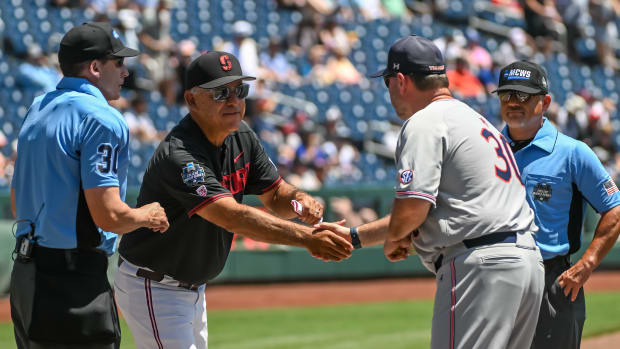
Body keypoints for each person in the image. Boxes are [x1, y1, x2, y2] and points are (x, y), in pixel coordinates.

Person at [114, 51, 353, 349]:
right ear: (191, 100)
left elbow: (276, 194)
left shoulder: (241, 134)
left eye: (240, 90)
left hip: (191, 287)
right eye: (220, 92)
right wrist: (307, 238)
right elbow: (231, 216)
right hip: (155, 283)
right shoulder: (180, 155)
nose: (233, 100)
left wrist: (298, 199)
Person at [318, 35, 545, 349]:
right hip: (526, 264)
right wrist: (356, 238)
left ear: (401, 80)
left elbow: (412, 210)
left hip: (481, 266)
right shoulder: (475, 120)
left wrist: (397, 237)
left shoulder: (425, 122)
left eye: (387, 82)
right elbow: (440, 208)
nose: (389, 92)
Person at [9, 22, 169, 349]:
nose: (125, 72)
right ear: (95, 67)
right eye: (118, 63)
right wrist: (147, 216)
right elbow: (108, 216)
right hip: (72, 281)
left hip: (26, 276)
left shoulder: (38, 107)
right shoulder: (101, 117)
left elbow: (16, 201)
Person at [495, 60, 620, 349]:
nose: (513, 102)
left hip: (551, 280)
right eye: (506, 95)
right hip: (496, 278)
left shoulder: (573, 152)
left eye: (523, 95)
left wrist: (587, 264)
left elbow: (614, 208)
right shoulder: (487, 148)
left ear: (545, 102)